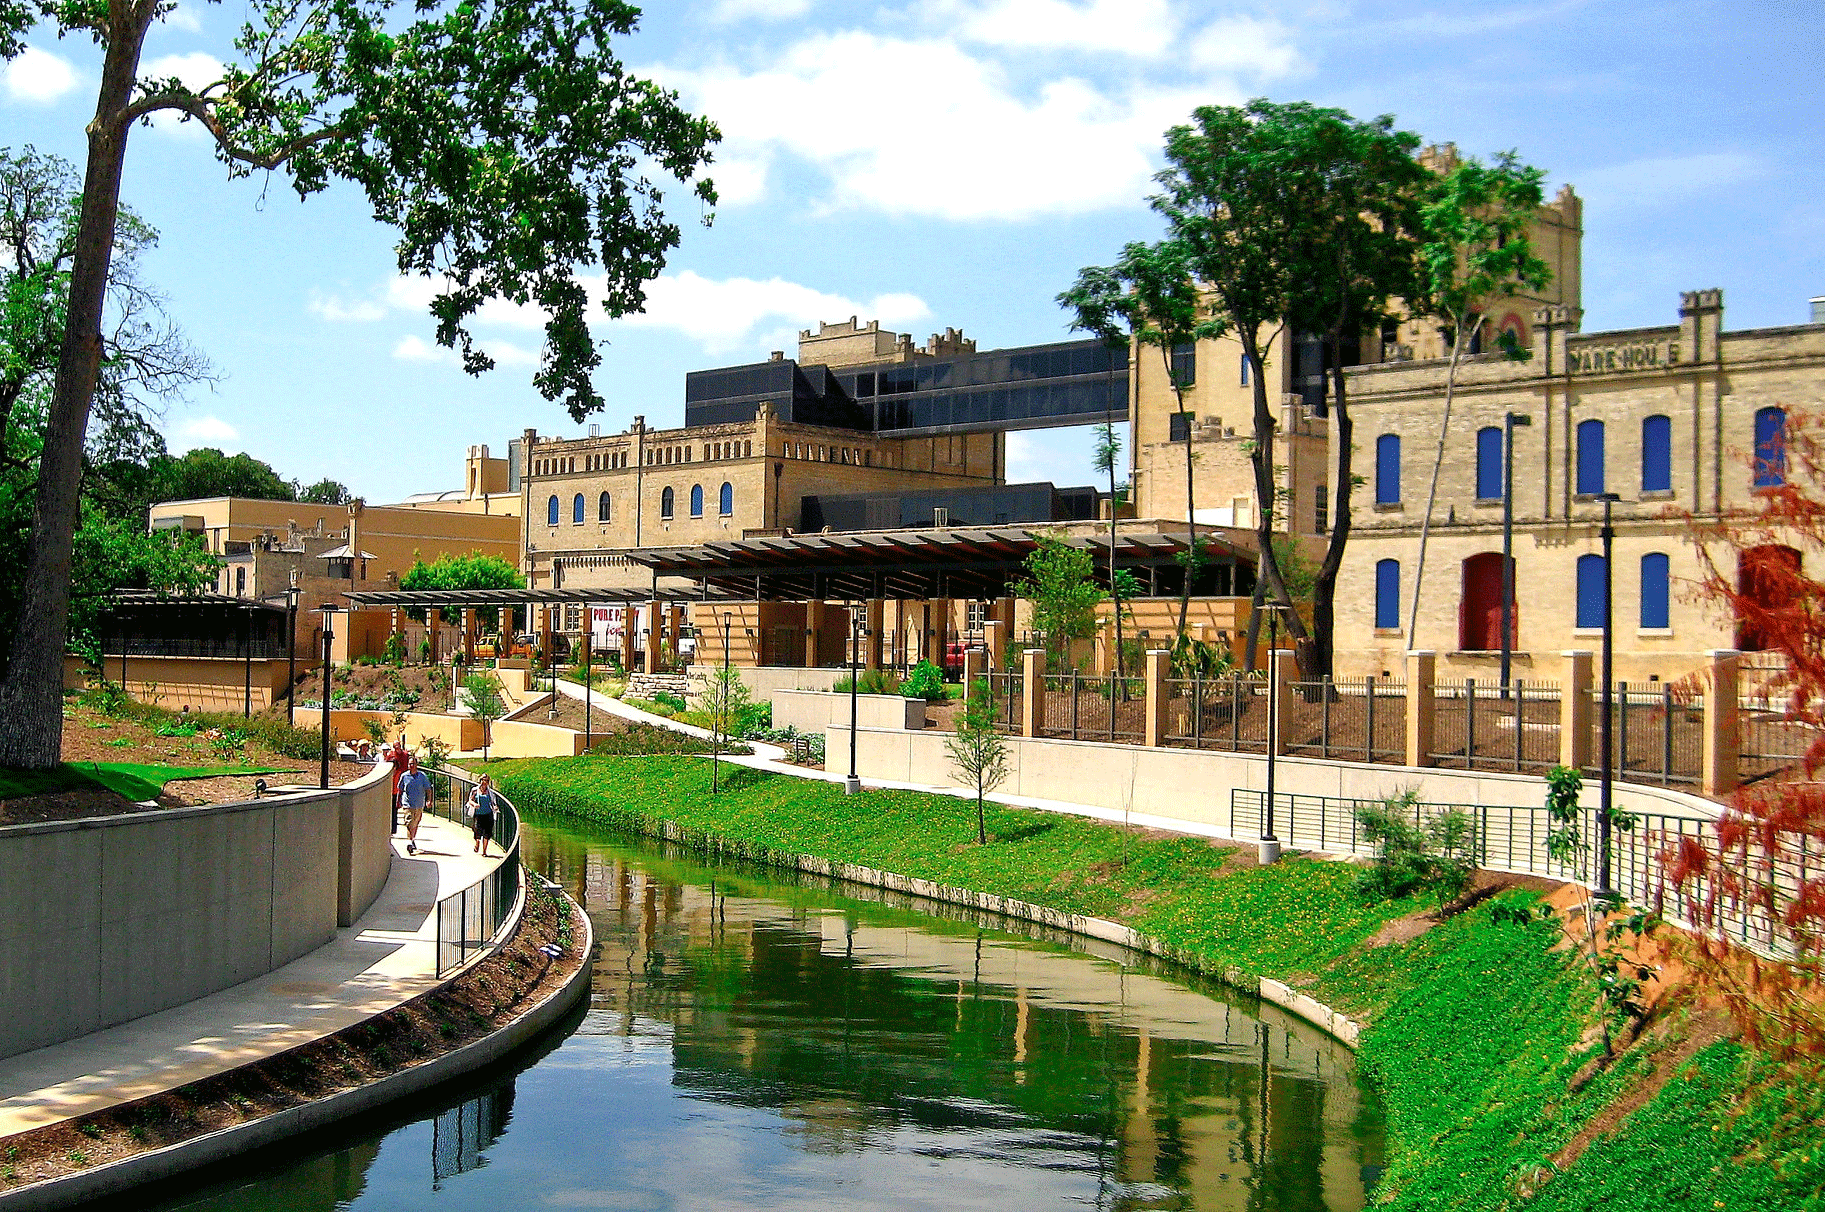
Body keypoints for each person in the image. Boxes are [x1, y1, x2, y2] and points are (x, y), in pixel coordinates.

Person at [398, 755, 432, 855]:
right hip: (407, 804)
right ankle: (409, 843)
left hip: (419, 804)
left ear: (416, 765)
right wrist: (399, 801)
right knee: (409, 822)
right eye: (409, 764)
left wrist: (429, 800)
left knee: (415, 823)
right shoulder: (404, 776)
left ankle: (412, 840)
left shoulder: (422, 776)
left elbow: (428, 789)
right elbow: (400, 789)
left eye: (413, 764)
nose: (411, 766)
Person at [386, 734, 412, 835]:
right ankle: (392, 829)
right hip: (393, 786)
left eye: (398, 746)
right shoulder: (391, 755)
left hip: (402, 785)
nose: (397, 748)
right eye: (395, 747)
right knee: (393, 808)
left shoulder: (405, 755)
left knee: (400, 806)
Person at [466, 774, 498, 856]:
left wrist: (495, 807)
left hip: (488, 815)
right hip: (478, 815)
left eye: (486, 781)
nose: (484, 782)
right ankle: (477, 844)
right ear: (480, 781)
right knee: (477, 831)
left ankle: (484, 851)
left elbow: (493, 802)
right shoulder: (475, 790)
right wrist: (474, 804)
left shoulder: (490, 792)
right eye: (483, 780)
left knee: (487, 833)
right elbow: (470, 800)